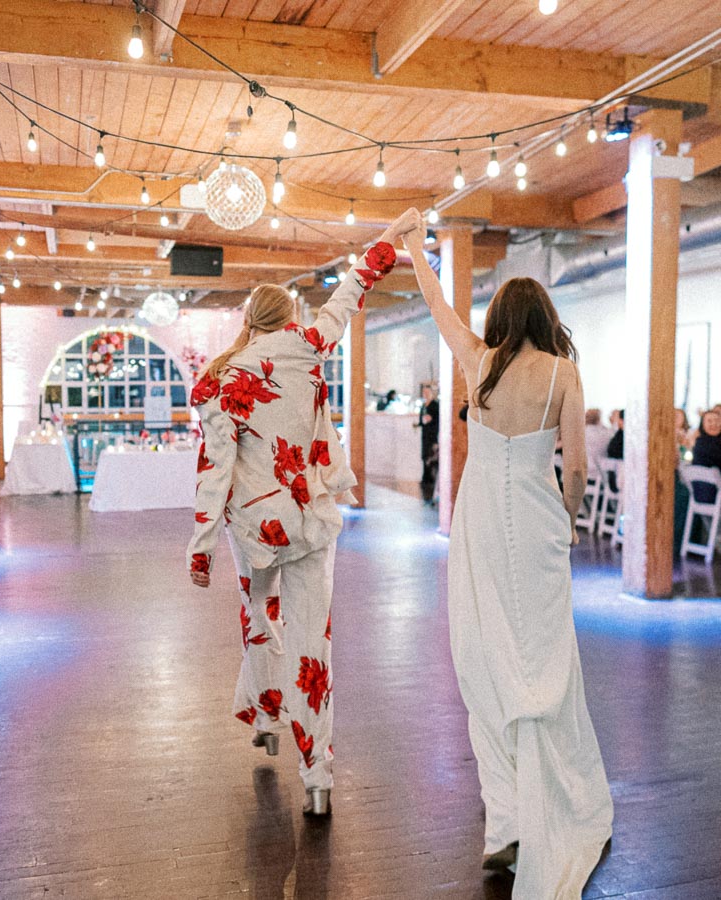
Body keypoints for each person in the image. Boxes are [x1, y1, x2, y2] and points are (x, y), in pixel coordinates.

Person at [404, 220, 613, 896]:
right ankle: (545, 803)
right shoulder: (564, 373)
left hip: (482, 523)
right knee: (544, 651)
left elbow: (437, 304)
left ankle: (508, 820)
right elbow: (576, 469)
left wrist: (415, 244)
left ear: (499, 317)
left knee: (489, 652)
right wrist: (572, 521)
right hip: (538, 518)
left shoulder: (477, 361)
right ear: (546, 318)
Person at [186, 210, 418, 818]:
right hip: (311, 515)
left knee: (260, 618)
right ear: (290, 317)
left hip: (253, 526)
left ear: (247, 321)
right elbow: (351, 291)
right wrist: (389, 238)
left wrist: (200, 546)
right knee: (313, 645)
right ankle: (317, 776)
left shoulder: (218, 382)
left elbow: (215, 470)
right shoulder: (310, 346)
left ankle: (266, 717)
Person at [417, 385, 440, 505]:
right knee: (425, 455)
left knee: (431, 456)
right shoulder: (424, 405)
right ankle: (425, 477)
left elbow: (437, 420)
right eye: (424, 392)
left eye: (427, 392)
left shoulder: (435, 405)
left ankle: (430, 479)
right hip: (425, 434)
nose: (425, 394)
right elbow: (421, 420)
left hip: (432, 435)